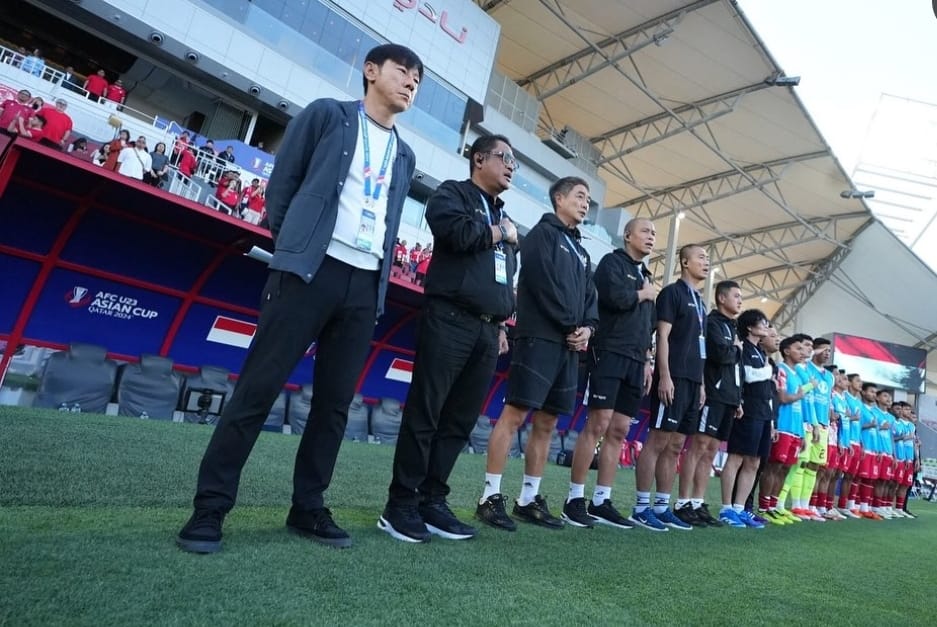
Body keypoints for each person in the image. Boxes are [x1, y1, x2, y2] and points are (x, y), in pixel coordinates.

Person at [176, 43, 423, 554]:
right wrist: (293, 247)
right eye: (404, 72)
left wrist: (374, 286)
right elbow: (283, 181)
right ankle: (210, 508)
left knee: (333, 407)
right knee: (257, 390)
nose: (410, 84)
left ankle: (307, 507)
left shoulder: (405, 154)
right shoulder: (327, 115)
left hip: (364, 283)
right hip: (309, 271)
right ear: (371, 71)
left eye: (417, 80)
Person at [380, 134, 519, 543]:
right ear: (479, 159)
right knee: (427, 412)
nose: (511, 167)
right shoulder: (452, 194)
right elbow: (456, 235)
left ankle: (432, 500)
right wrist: (500, 233)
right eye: (504, 158)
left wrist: (499, 324)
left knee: (459, 421)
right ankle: (400, 504)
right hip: (449, 319)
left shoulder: (500, 214)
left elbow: (501, 277)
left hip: (486, 329)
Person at [476, 176, 598, 531]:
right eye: (579, 195)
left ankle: (528, 498)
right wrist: (569, 326)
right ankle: (490, 495)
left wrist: (587, 329)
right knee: (515, 414)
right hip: (539, 339)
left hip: (569, 345)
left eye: (588, 198)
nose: (585, 202)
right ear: (558, 199)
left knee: (548, 422)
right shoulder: (543, 236)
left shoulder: (582, 249)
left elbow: (591, 299)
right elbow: (542, 284)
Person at [561, 218, 657, 530]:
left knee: (619, 430)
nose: (651, 237)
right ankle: (574, 498)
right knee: (598, 424)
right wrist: (643, 294)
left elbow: (648, 325)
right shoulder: (612, 264)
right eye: (645, 231)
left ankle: (601, 500)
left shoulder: (647, 275)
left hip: (634, 359)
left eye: (654, 233)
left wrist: (646, 360)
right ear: (628, 235)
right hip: (609, 352)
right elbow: (613, 299)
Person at [628, 245, 708, 532]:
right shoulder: (673, 293)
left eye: (707, 258)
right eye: (700, 257)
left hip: (692, 382)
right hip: (673, 377)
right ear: (684, 262)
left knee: (676, 445)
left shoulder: (700, 302)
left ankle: (662, 506)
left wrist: (701, 385)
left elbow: (700, 348)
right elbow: (662, 335)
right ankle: (640, 507)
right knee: (658, 441)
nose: (705, 262)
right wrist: (665, 375)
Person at [674, 280, 743, 528]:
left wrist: (738, 397)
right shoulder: (712, 322)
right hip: (713, 395)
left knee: (712, 450)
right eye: (736, 295)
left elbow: (734, 365)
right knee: (699, 446)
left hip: (728, 397)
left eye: (741, 296)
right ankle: (682, 502)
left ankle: (697, 501)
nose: (740, 300)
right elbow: (722, 355)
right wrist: (736, 349)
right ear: (722, 298)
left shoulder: (732, 328)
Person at [718, 308, 772, 529]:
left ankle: (740, 508)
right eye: (763, 323)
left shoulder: (760, 351)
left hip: (763, 412)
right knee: (737, 457)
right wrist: (769, 372)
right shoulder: (744, 348)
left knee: (754, 461)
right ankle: (726, 508)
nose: (767, 327)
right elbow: (748, 376)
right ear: (750, 326)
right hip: (747, 409)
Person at [757, 335, 808, 524]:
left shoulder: (797, 374)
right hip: (784, 426)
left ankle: (774, 506)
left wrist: (802, 434)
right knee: (774, 467)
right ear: (786, 351)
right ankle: (764, 507)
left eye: (804, 349)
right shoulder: (782, 370)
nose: (803, 353)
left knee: (785, 468)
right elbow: (784, 398)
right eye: (798, 349)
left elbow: (800, 406)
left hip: (795, 429)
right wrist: (799, 395)